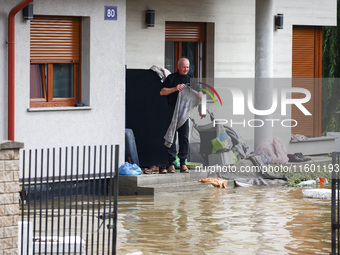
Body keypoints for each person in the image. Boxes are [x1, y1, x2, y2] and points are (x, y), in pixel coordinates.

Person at [160, 58, 201, 174]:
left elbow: (199, 93)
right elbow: (162, 92)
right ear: (178, 67)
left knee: (184, 138)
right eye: (183, 67)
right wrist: (175, 89)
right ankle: (171, 164)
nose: (186, 69)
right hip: (171, 111)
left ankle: (183, 162)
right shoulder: (171, 78)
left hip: (184, 113)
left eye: (187, 67)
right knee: (171, 137)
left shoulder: (190, 80)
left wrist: (200, 100)